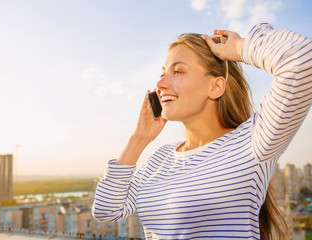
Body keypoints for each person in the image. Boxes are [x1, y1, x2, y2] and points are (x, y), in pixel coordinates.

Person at [92, 23, 312, 239]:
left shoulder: (251, 143)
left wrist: (239, 48)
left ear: (216, 87)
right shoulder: (159, 159)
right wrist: (139, 139)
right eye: (162, 73)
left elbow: (302, 59)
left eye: (177, 71)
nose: (160, 84)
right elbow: (106, 210)